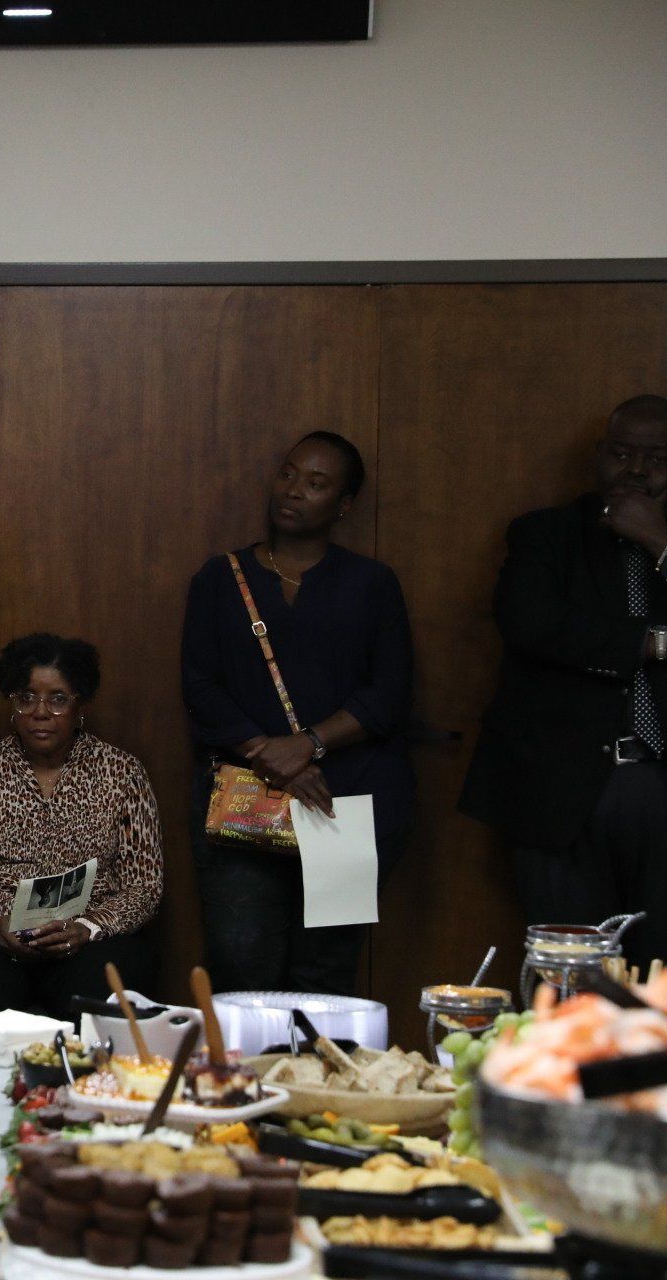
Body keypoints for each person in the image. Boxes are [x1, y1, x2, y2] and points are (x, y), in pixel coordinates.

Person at [181, 431, 414, 997]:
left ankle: (315, 1081)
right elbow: (201, 686)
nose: (293, 491)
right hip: (245, 796)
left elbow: (389, 695)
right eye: (288, 474)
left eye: (316, 483)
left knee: (326, 971)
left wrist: (307, 744)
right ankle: (244, 1086)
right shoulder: (220, 577)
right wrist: (270, 753)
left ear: (344, 504)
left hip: (345, 800)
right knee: (240, 962)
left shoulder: (372, 584)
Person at [462, 395, 667, 967]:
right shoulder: (546, 534)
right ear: (598, 455)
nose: (636, 469)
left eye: (656, 458)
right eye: (622, 453)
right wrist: (653, 643)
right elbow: (534, 624)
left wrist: (660, 544)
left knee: (661, 977)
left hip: (659, 784)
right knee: (573, 972)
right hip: (564, 789)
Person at [0, 634, 162, 1018]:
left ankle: (78, 1077)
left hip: (87, 945)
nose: (40, 711)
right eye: (26, 697)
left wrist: (86, 927)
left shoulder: (122, 772)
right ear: (13, 705)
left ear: (79, 703)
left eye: (58, 698)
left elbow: (145, 887)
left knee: (120, 972)